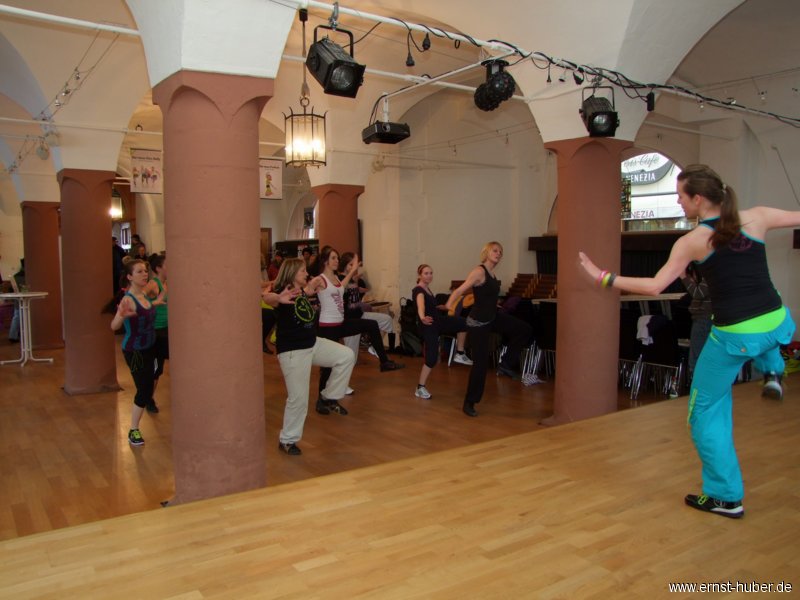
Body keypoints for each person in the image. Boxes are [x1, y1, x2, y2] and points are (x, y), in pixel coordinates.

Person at [578, 164, 800, 519]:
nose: (678, 202)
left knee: (704, 413)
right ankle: (773, 371)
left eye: (681, 196)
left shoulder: (694, 241)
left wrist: (603, 277)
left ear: (698, 199)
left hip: (735, 336)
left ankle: (725, 498)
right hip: (779, 322)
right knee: (767, 334)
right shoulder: (757, 217)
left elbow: (654, 286)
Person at [262, 258, 356, 455]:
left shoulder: (302, 291)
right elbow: (267, 297)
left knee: (346, 356)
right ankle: (287, 440)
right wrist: (278, 298)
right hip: (293, 352)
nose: (306, 273)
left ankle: (328, 396)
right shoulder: (282, 290)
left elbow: (307, 294)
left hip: (312, 344)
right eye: (303, 271)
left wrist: (310, 290)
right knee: (298, 399)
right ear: (292, 272)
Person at [446, 242, 532, 417]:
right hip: (479, 323)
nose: (498, 253)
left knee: (524, 329)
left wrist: (495, 305)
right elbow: (461, 289)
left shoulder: (492, 274)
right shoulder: (479, 271)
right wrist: (449, 305)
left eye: (500, 251)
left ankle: (505, 364)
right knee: (481, 365)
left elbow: (487, 297)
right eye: (495, 250)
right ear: (486, 252)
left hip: (493, 317)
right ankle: (469, 402)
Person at [315, 247, 404, 415]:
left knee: (371, 325)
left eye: (337, 258)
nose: (336, 261)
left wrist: (353, 269)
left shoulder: (336, 278)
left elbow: (343, 284)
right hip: (327, 327)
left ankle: (384, 362)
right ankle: (322, 400)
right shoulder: (320, 279)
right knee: (327, 367)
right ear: (325, 261)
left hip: (340, 324)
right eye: (333, 258)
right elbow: (306, 290)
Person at [110, 259, 161, 447]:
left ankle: (142, 410)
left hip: (151, 346)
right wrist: (122, 315)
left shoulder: (144, 294)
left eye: (145, 271)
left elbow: (147, 310)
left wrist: (157, 302)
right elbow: (114, 326)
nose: (145, 274)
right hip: (135, 351)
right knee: (144, 389)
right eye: (139, 272)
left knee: (153, 378)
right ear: (130, 277)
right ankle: (133, 429)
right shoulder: (128, 300)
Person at [413, 264, 472, 400]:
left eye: (431, 273)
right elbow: (420, 305)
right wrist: (422, 317)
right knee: (431, 359)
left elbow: (429, 306)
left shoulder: (427, 288)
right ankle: (420, 388)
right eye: (426, 273)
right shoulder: (419, 290)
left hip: (437, 321)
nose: (429, 276)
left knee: (464, 323)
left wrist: (441, 307)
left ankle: (460, 353)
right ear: (420, 275)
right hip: (428, 326)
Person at [339, 252, 397, 357]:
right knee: (351, 357)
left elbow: (353, 294)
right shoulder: (340, 278)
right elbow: (343, 288)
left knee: (387, 320)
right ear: (344, 265)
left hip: (360, 315)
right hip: (350, 320)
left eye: (354, 264)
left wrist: (358, 288)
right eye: (351, 265)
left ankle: (374, 347)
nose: (354, 267)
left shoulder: (352, 278)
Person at [143, 253, 169, 413]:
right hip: (156, 331)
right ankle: (148, 398)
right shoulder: (154, 284)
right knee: (156, 368)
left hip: (167, 330)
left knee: (161, 367)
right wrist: (154, 303)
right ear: (158, 268)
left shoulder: (167, 283)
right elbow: (137, 300)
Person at [680, 262, 712, 379]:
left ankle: (697, 384)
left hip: (704, 319)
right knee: (700, 355)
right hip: (705, 319)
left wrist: (684, 277)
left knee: (697, 357)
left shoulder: (711, 272)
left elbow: (698, 293)